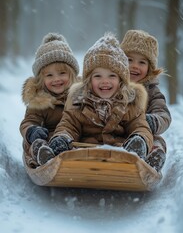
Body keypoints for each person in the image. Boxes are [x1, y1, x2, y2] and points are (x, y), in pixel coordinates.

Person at [37, 32, 154, 165]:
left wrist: (140, 138)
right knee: (60, 139)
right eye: (98, 76)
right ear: (88, 80)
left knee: (146, 138)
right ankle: (52, 156)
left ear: (121, 81)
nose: (105, 81)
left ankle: (142, 156)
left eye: (112, 76)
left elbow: (140, 126)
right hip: (84, 153)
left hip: (120, 155)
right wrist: (62, 137)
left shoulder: (130, 103)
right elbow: (68, 125)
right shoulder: (78, 102)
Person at [20, 32, 79, 168]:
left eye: (62, 73)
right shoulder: (39, 100)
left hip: (71, 140)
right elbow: (29, 120)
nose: (56, 79)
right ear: (41, 79)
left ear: (72, 74)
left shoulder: (80, 95)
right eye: (49, 75)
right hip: (47, 139)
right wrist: (31, 130)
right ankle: (42, 154)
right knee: (32, 142)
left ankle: (74, 156)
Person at [120, 29, 172, 172]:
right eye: (129, 60)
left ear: (149, 69)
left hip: (142, 134)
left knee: (157, 140)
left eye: (142, 62)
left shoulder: (152, 92)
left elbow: (164, 115)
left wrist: (151, 121)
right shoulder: (111, 84)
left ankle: (149, 159)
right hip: (114, 133)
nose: (135, 65)